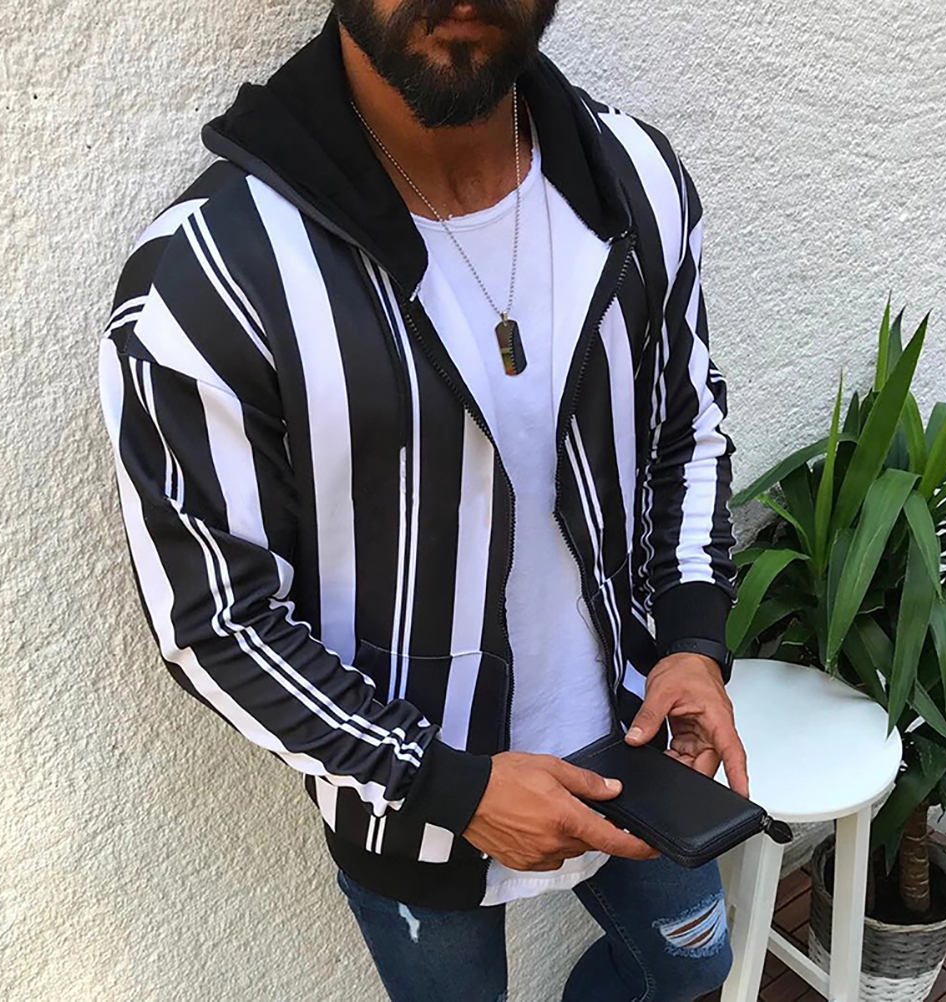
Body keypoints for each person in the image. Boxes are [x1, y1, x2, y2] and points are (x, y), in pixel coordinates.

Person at [97, 0, 748, 997]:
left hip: (644, 740)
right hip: (407, 807)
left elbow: (685, 427)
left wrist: (694, 640)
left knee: (688, 974)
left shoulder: (637, 181)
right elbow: (217, 621)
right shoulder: (208, 280)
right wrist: (445, 784)